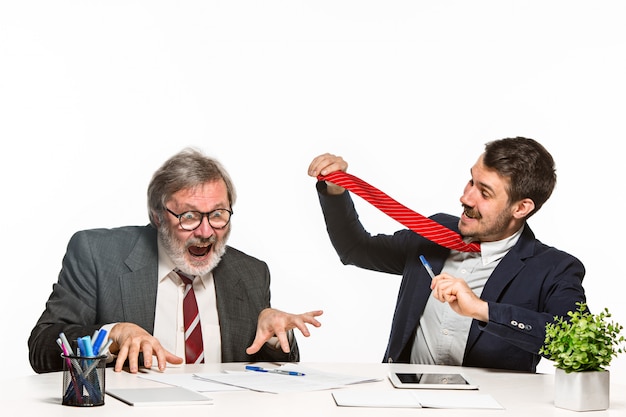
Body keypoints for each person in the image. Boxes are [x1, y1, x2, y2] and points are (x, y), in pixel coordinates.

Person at [29, 147, 323, 374]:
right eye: (190, 216)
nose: (206, 232)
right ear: (157, 216)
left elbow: (269, 379)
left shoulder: (251, 273)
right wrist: (111, 335)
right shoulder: (97, 254)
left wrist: (275, 339)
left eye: (218, 214)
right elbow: (42, 347)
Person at [307, 137, 585, 373]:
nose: (466, 197)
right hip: (402, 403)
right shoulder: (435, 231)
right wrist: (336, 189)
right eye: (471, 181)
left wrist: (481, 310)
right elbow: (356, 250)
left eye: (484, 193)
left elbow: (575, 342)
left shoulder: (555, 268)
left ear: (521, 208)